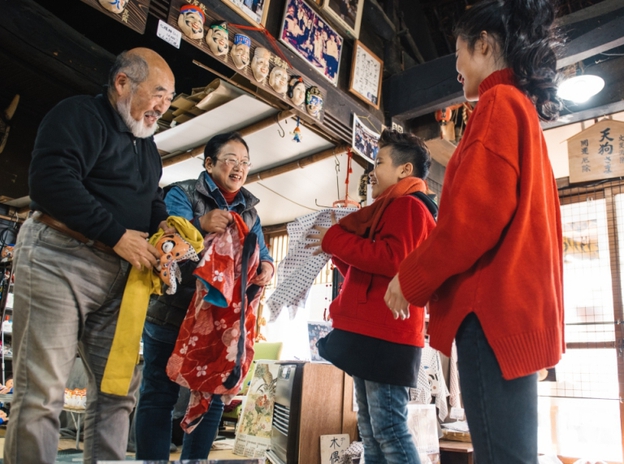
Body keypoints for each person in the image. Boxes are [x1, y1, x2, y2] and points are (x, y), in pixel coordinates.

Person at [383, 1, 564, 462]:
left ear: (483, 45)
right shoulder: (519, 109)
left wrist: (411, 278)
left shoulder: (498, 105)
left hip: (491, 313)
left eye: (458, 53)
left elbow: (471, 223)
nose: (457, 68)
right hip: (512, 311)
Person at [4, 48, 176, 464]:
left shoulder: (147, 147)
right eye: (158, 94)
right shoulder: (78, 114)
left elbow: (150, 200)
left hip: (122, 276)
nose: (162, 108)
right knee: (43, 393)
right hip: (59, 259)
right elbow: (50, 182)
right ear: (122, 83)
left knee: (118, 393)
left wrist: (168, 233)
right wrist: (118, 235)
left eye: (169, 100)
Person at [135, 131, 275, 461]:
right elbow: (165, 241)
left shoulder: (250, 212)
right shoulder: (181, 193)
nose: (238, 168)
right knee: (158, 394)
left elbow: (263, 253)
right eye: (230, 160)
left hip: (218, 321)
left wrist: (267, 268)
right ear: (209, 164)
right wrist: (201, 223)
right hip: (170, 311)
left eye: (244, 162)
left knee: (213, 392)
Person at [307, 130, 437, 464]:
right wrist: (335, 250)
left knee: (389, 430)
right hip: (375, 331)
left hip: (386, 333)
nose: (373, 170)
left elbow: (394, 257)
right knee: (371, 430)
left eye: (379, 162)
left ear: (404, 170)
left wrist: (334, 239)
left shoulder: (408, 205)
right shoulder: (392, 206)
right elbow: (372, 266)